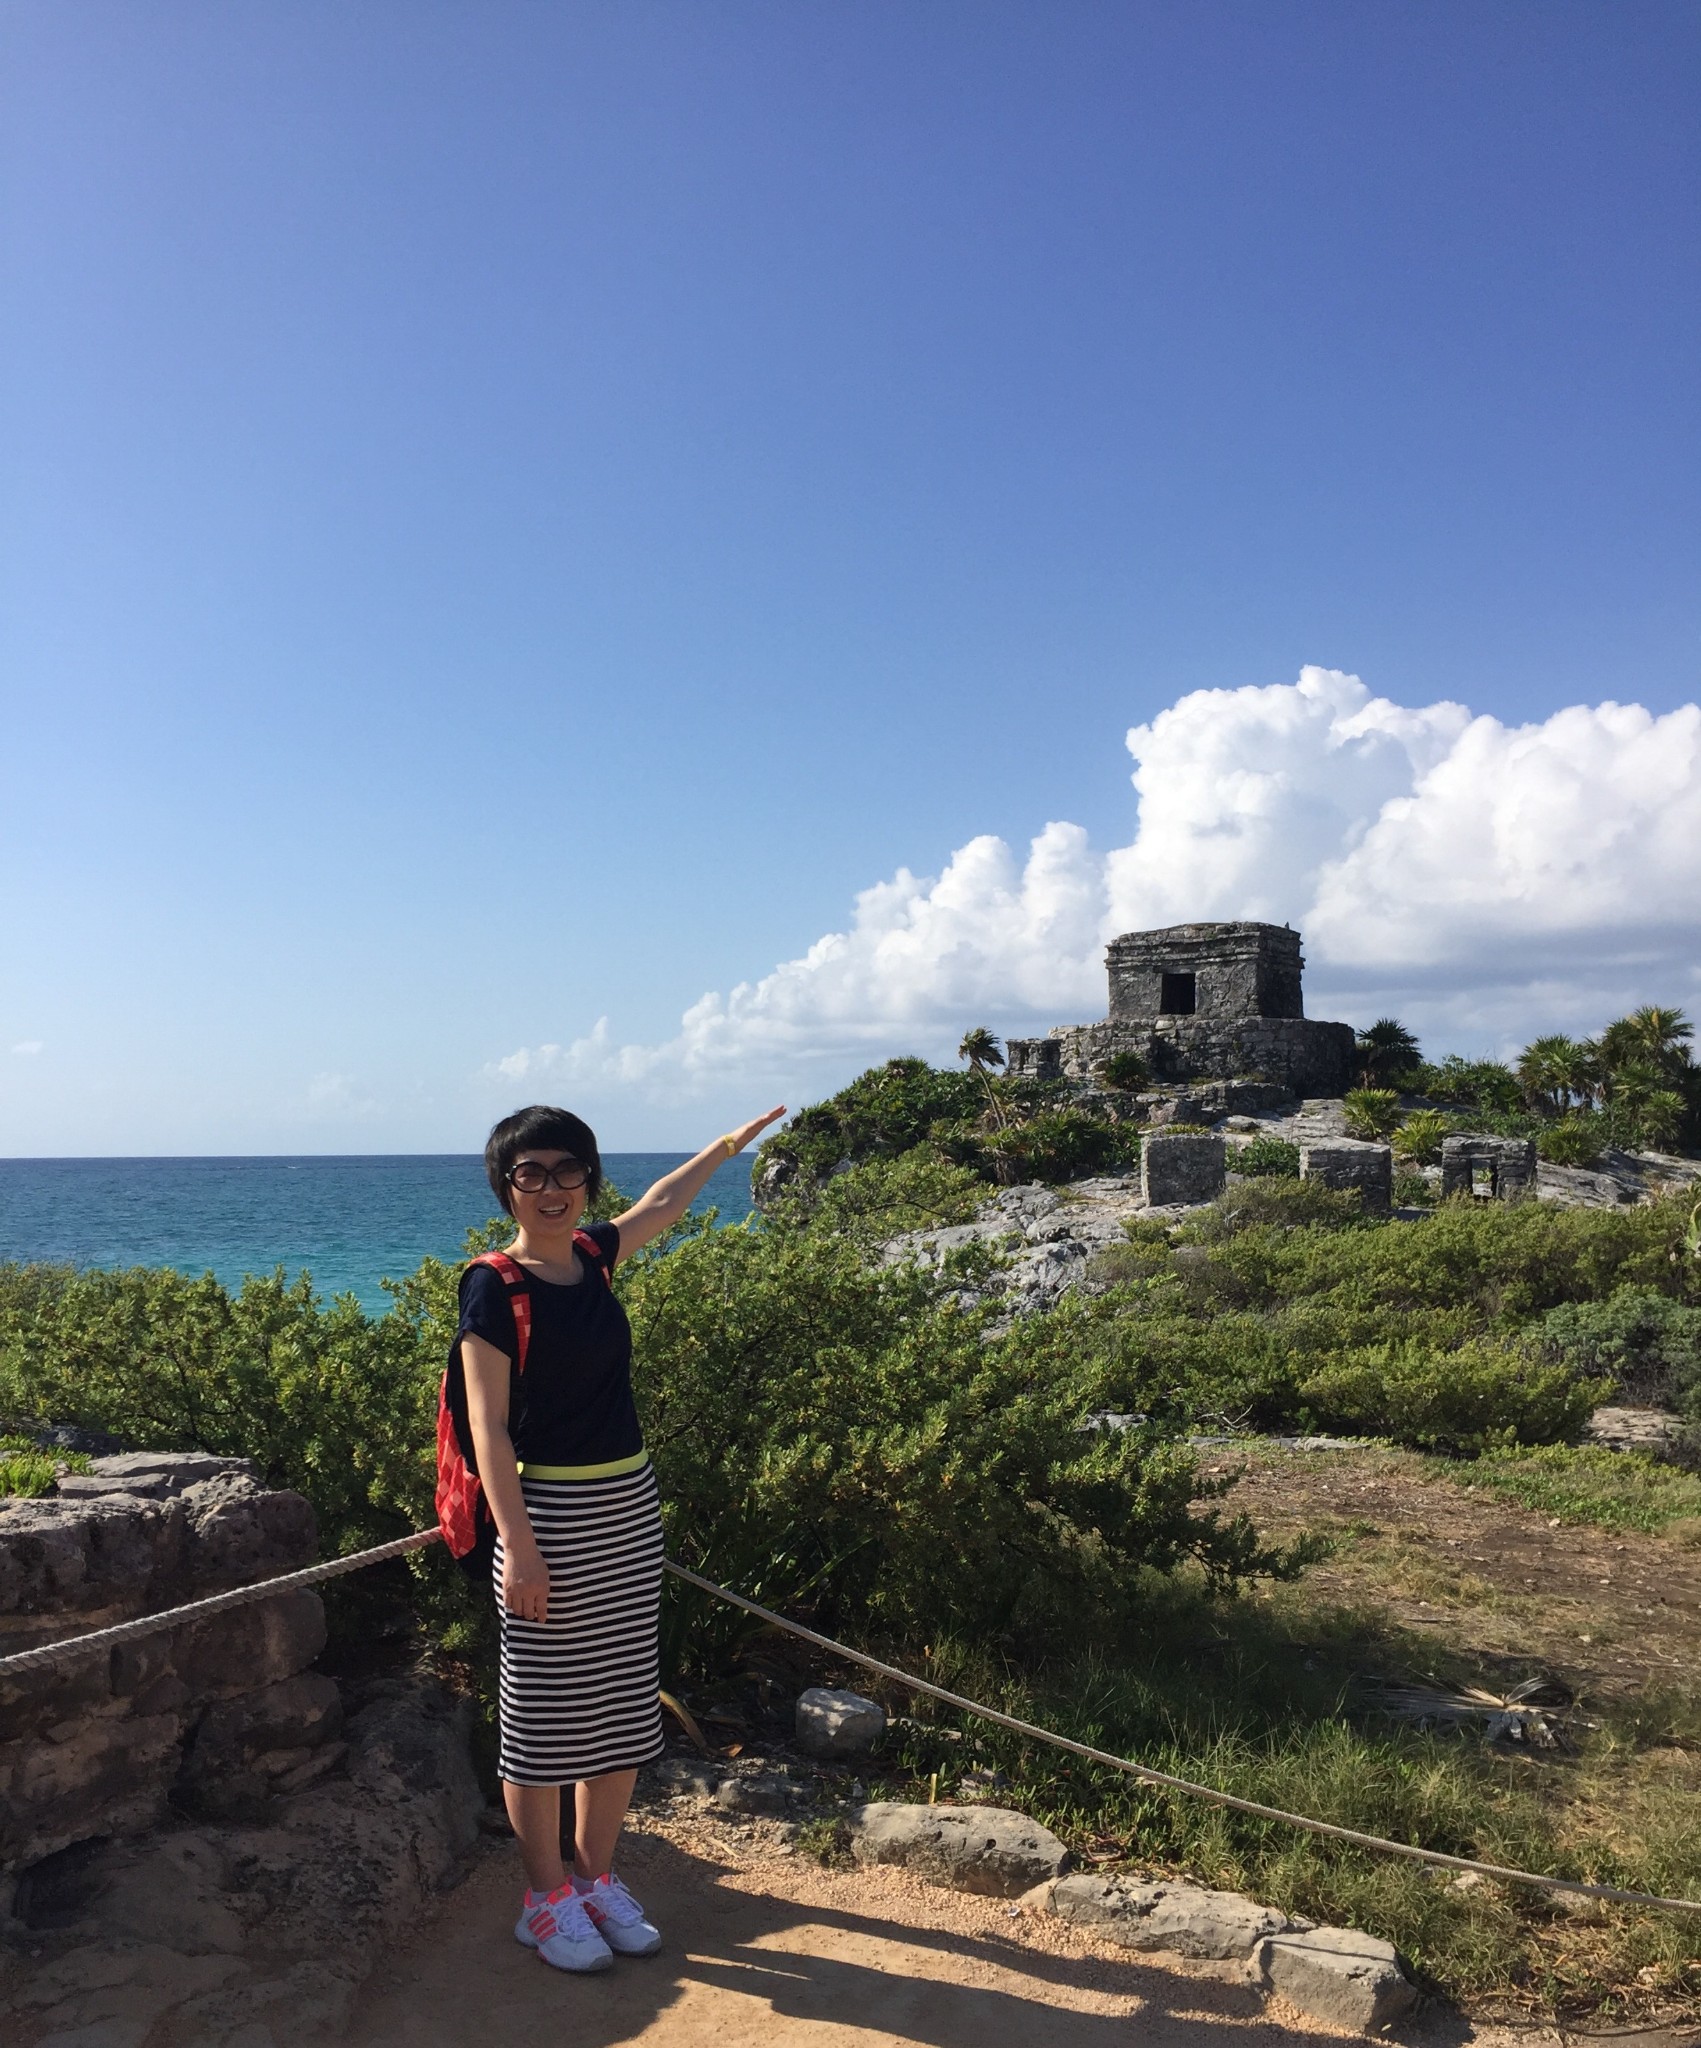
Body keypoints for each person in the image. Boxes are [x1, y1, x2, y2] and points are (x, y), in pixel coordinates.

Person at [456, 1102, 785, 1975]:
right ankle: (543, 1900)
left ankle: (593, 1879)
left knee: (619, 1700)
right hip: (547, 1515)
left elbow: (662, 1205)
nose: (552, 1188)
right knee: (540, 1714)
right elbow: (488, 1428)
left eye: (568, 1170)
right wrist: (521, 1547)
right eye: (531, 1173)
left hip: (626, 1508)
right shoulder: (494, 1284)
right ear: (505, 1186)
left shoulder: (593, 1257)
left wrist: (723, 1148)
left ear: (588, 1179)